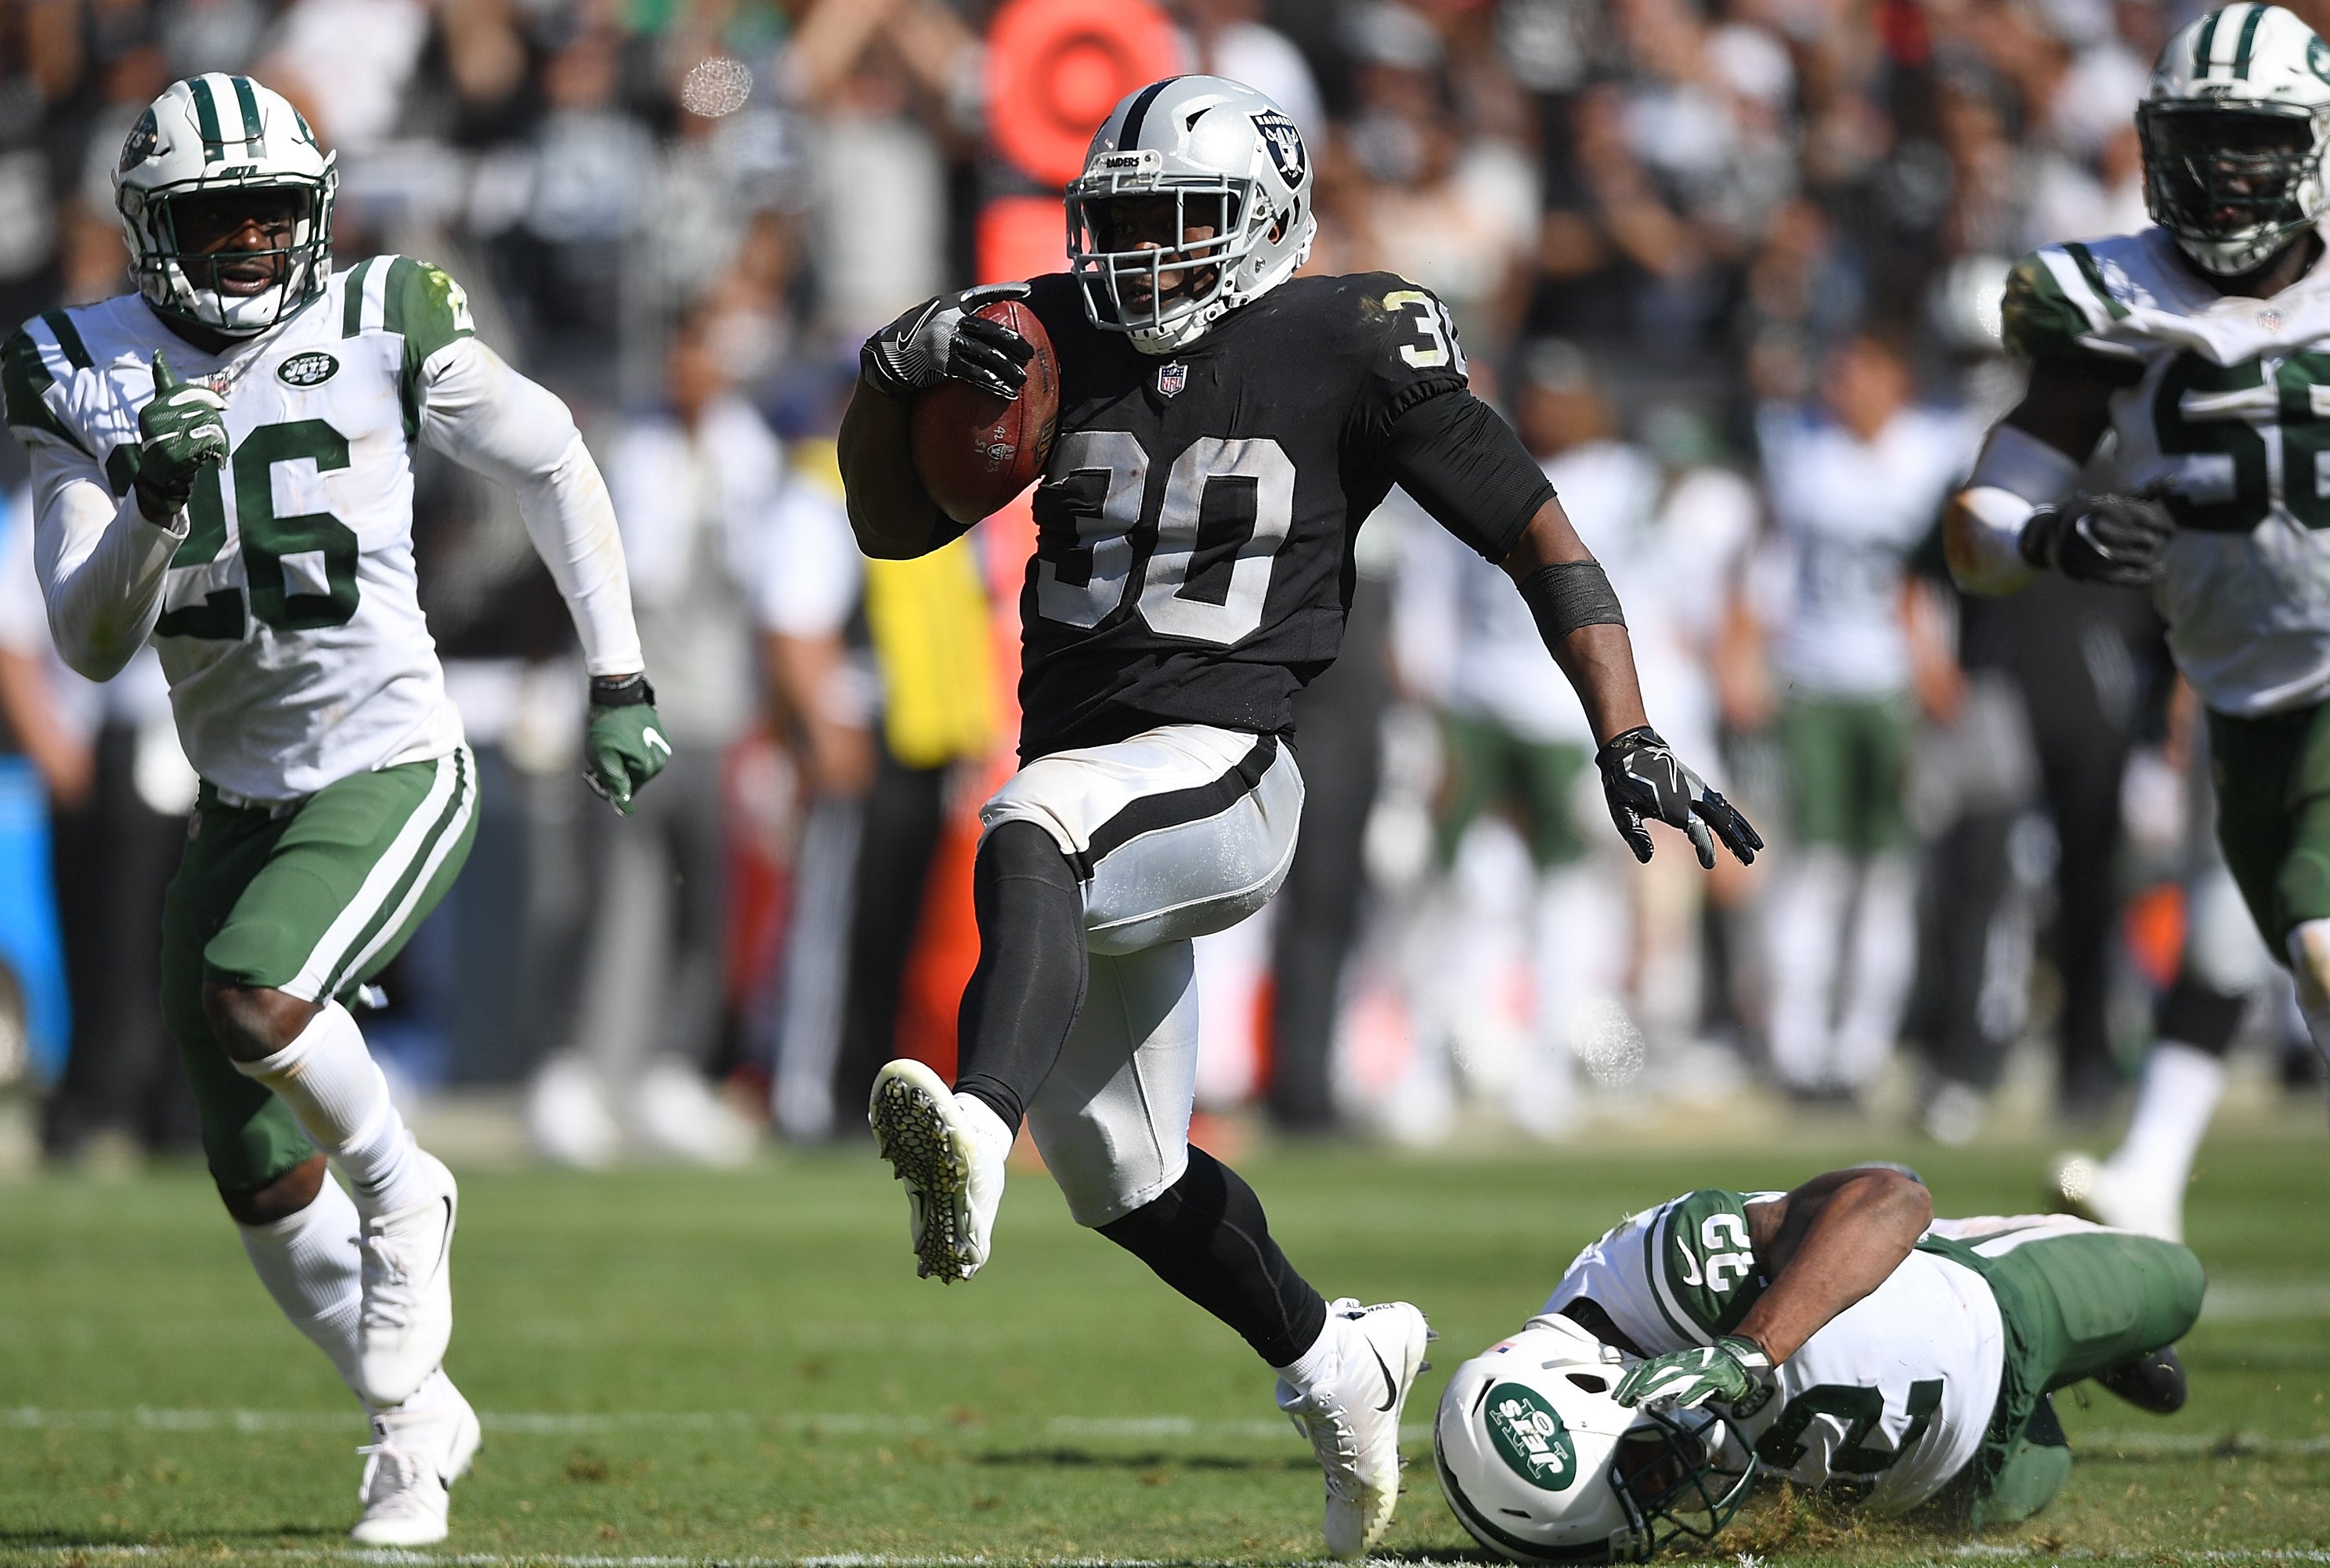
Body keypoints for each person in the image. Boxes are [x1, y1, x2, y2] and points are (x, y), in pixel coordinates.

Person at [836, 75, 1761, 1559]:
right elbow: (892, 521)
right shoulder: (1051, 334)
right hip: (1105, 785)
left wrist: (1628, 725)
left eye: (1178, 224)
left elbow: (1541, 536)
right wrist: (891, 374)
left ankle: (969, 1126)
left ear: (1266, 223)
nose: (1141, 256)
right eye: (1120, 223)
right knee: (1125, 1173)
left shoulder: (1348, 338)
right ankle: (1340, 1361)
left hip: (1226, 767)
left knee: (1032, 825)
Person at [2, 76, 666, 1543]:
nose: (249, 242)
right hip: (236, 793)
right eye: (216, 216)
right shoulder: (69, 361)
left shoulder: (383, 310)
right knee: (247, 1166)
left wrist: (617, 669)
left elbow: (552, 451)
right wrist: (154, 508)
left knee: (256, 989)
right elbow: (90, 639)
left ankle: (404, 1184)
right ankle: (410, 1430)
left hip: (391, 758)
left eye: (271, 212)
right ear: (148, 227)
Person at [1945, 3, 2330, 1136]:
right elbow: (1979, 526)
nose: (2223, 166)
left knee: (2321, 935)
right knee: (2307, 973)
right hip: (2243, 697)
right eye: (2201, 134)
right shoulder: (2109, 297)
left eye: (2253, 138)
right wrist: (2044, 539)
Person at [1433, 1166, 2203, 1560]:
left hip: (1990, 1304)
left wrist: (1748, 1345)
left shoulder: (1662, 1273)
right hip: (1957, 1479)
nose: (1670, 1491)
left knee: (2180, 1291)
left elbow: (1892, 1196)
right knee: (2053, 1463)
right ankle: (2083, 1364)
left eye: (1645, 1473)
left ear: (1590, 1387)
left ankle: (2095, 1332)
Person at [1750, 334, 1975, 1100]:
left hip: (1896, 684)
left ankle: (1858, 1049)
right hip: (1811, 679)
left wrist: (1939, 665)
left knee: (1883, 874)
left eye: (1858, 372)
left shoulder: (1937, 449)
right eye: (1835, 371)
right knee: (1812, 870)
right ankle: (1796, 1045)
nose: (1840, 386)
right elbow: (1765, 557)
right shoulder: (1798, 446)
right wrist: (1742, 644)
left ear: (1897, 379)